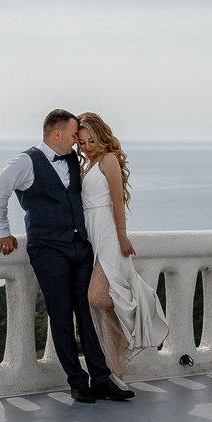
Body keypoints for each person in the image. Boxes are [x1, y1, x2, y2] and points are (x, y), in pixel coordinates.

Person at [0, 110, 134, 403]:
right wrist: (3, 231)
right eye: (73, 135)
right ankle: (78, 382)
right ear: (57, 134)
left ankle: (102, 379)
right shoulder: (26, 161)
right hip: (48, 249)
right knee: (61, 314)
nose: (77, 142)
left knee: (87, 314)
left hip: (80, 246)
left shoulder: (71, 159)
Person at [77, 112, 168, 380]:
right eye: (81, 143)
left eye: (91, 140)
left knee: (98, 296)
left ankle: (141, 303)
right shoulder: (86, 166)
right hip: (91, 235)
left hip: (107, 232)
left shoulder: (108, 160)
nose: (87, 147)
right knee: (104, 304)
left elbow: (117, 201)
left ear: (101, 135)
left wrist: (122, 235)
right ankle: (115, 364)